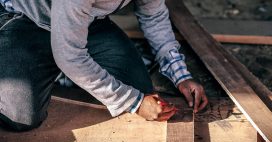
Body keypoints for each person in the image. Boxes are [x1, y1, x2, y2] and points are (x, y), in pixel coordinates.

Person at [0, 0, 208, 131]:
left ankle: (66, 74)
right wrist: (134, 102)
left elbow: (154, 17)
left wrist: (180, 75)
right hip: (27, 21)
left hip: (87, 22)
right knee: (20, 118)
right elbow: (70, 56)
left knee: (142, 90)